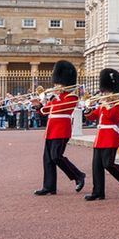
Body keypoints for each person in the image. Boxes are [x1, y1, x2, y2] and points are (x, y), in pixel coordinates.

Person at [33, 60, 86, 196]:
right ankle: (49, 186)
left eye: (59, 83)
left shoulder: (71, 96)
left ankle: (78, 175)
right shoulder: (55, 98)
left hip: (62, 130)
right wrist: (38, 106)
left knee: (56, 156)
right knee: (48, 159)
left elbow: (63, 108)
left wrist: (55, 97)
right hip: (51, 130)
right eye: (56, 83)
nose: (56, 86)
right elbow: (46, 111)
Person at [83, 68, 119, 200]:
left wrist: (105, 105)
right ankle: (98, 192)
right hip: (100, 137)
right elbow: (92, 117)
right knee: (97, 166)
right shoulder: (104, 104)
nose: (104, 93)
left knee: (108, 164)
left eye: (106, 90)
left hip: (111, 136)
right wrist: (88, 109)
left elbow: (112, 116)